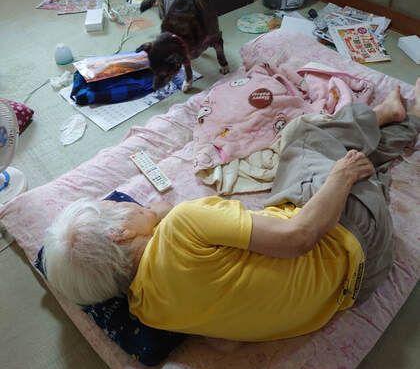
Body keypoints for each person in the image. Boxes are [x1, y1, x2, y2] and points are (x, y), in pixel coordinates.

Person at [42, 81, 420, 342]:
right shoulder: (183, 224)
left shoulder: (147, 309)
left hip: (355, 288)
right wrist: (342, 176)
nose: (121, 202)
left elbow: (227, 337)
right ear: (119, 234)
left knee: (300, 175)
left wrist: (150, 218)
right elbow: (299, 237)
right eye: (112, 207)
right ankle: (394, 114)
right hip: (354, 239)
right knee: (302, 134)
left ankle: (394, 131)